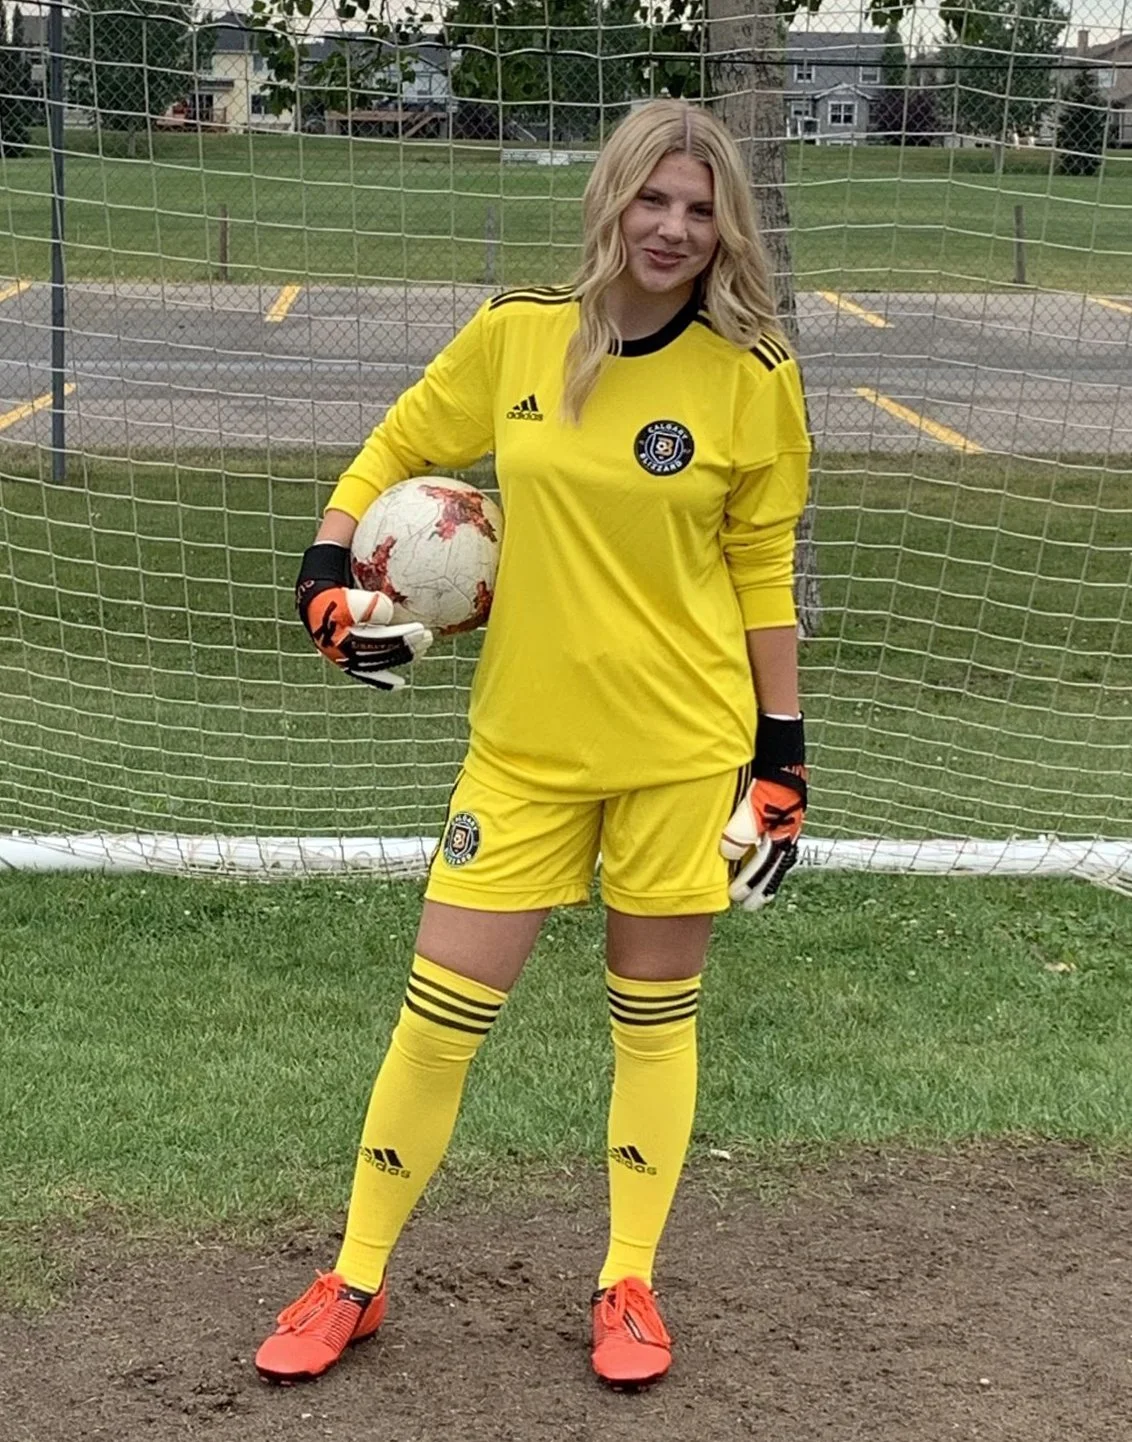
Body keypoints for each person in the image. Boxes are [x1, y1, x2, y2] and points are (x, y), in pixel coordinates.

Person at [255, 97, 811, 1392]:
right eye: (652, 198)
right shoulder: (519, 334)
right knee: (437, 1019)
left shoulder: (754, 378)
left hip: (683, 751)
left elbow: (763, 569)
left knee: (652, 1022)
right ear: (611, 199)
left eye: (699, 205)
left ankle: (627, 1278)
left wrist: (778, 760)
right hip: (523, 750)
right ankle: (355, 1275)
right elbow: (398, 440)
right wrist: (323, 575)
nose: (672, 227)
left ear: (724, 224)